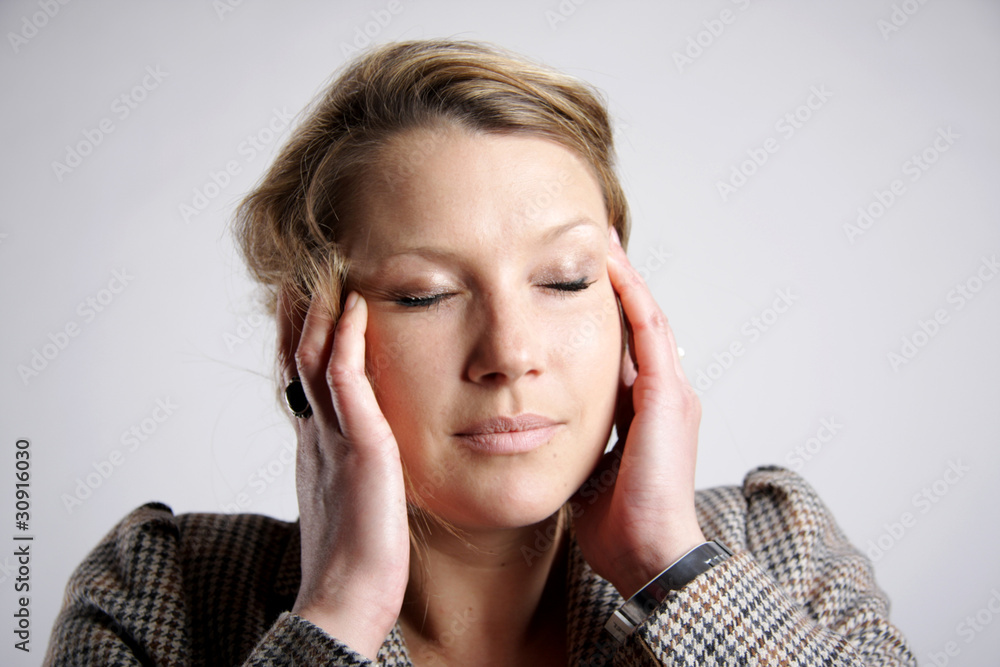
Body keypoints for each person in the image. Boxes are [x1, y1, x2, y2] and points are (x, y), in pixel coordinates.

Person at [44, 39, 916, 666]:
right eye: (425, 294)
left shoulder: (776, 544)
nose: (510, 353)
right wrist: (336, 616)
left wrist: (674, 570)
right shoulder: (162, 589)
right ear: (303, 340)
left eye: (568, 279)